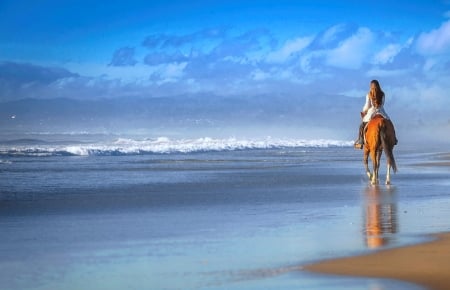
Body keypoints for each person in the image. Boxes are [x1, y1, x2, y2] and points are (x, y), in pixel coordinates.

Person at [354, 80, 397, 149]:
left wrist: (364, 111)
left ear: (371, 86)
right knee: (390, 123)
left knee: (362, 126)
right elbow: (382, 104)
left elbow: (367, 106)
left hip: (371, 113)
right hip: (381, 112)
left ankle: (361, 141)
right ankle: (394, 139)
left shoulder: (369, 94)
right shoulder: (383, 94)